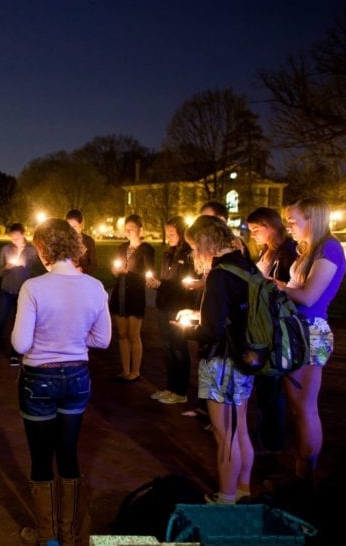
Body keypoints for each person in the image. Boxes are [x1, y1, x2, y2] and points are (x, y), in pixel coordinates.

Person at [11, 218, 111, 546]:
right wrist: (73, 338)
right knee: (68, 452)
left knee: (41, 456)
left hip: (40, 377)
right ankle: (68, 534)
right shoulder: (95, 287)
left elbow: (21, 344)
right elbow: (103, 339)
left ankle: (46, 534)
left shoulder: (34, 288)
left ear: (43, 250)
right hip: (77, 376)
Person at [182, 215, 255, 504]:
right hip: (245, 357)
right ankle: (243, 489)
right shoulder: (246, 265)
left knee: (225, 435)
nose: (193, 253)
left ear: (205, 241)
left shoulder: (220, 274)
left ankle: (225, 498)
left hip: (221, 361)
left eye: (193, 245)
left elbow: (211, 330)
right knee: (241, 428)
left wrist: (188, 329)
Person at [277, 197, 346, 485]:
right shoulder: (310, 250)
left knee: (305, 408)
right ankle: (301, 470)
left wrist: (275, 286)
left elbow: (308, 297)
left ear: (312, 219)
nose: (288, 227)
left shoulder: (329, 248)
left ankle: (306, 477)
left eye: (293, 221)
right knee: (298, 408)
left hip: (310, 333)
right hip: (298, 331)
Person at [246, 207, 298, 454]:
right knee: (265, 386)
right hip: (262, 324)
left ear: (271, 226)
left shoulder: (286, 253)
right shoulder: (266, 252)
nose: (253, 234)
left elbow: (290, 289)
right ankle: (266, 437)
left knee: (272, 384)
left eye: (257, 229)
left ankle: (272, 443)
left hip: (275, 328)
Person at [146, 216, 197, 405]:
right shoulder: (168, 254)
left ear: (182, 233)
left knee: (179, 348)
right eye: (167, 233)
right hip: (163, 304)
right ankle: (170, 388)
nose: (168, 236)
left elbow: (184, 284)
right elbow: (165, 279)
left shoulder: (188, 255)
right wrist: (155, 283)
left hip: (178, 306)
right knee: (168, 348)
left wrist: (161, 284)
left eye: (172, 233)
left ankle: (181, 391)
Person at [0, 223, 38, 366]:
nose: (14, 240)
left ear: (23, 235)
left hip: (23, 291)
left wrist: (25, 263)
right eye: (12, 237)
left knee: (18, 323)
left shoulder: (32, 250)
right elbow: (0, 272)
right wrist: (7, 267)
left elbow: (34, 268)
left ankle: (14, 353)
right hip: (7, 289)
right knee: (0, 320)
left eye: (17, 237)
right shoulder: (6, 249)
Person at [109, 214, 154, 381]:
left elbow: (149, 273)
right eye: (126, 229)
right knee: (121, 333)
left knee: (133, 334)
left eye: (131, 229)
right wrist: (115, 272)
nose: (128, 232)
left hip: (135, 295)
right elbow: (115, 269)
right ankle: (125, 369)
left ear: (140, 230)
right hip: (120, 293)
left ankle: (135, 371)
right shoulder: (122, 248)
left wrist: (131, 273)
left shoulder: (146, 250)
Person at [65, 209, 98, 274]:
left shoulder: (88, 241)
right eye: (69, 227)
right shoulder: (64, 240)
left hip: (83, 278)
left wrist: (82, 269)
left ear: (81, 225)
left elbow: (94, 265)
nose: (71, 230)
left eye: (74, 227)